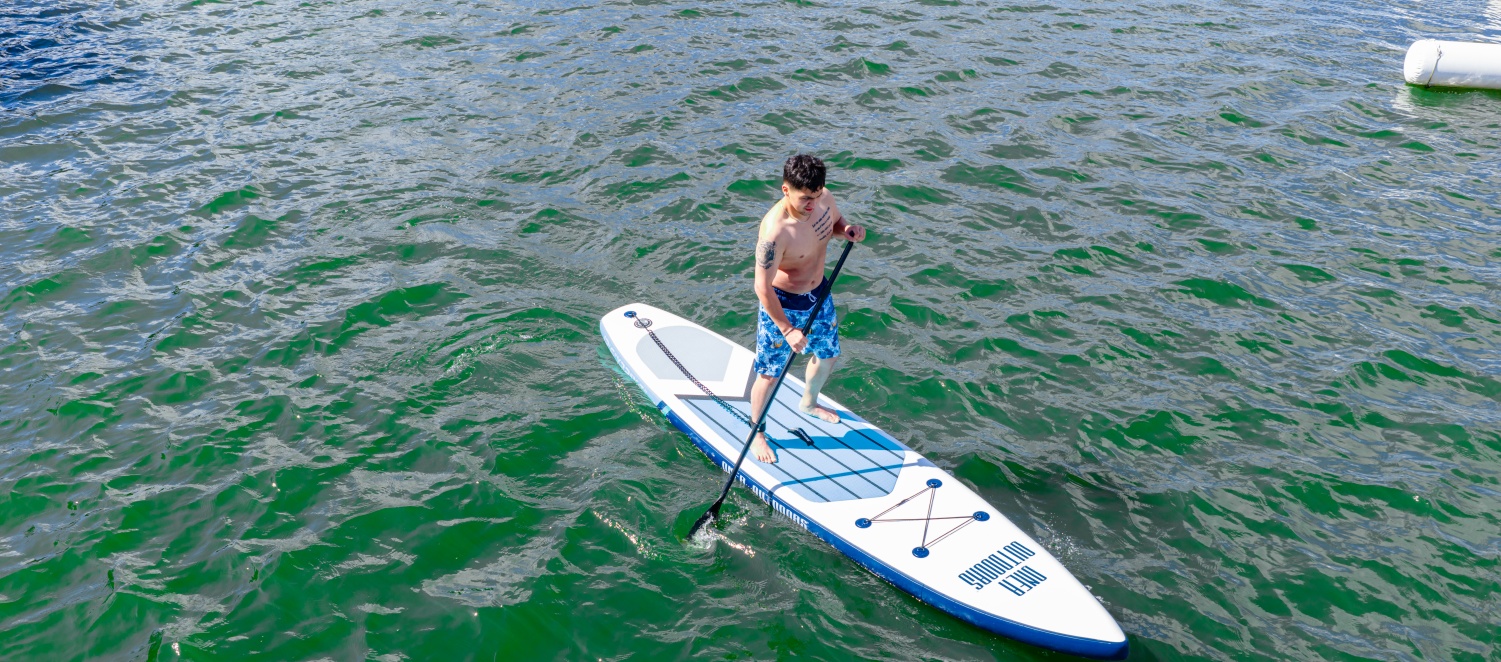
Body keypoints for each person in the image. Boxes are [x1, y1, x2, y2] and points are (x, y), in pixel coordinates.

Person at [749, 154, 867, 463]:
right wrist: (787, 329)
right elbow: (762, 287)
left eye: (816, 196)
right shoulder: (775, 232)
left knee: (828, 355)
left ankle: (809, 402)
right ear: (786, 190)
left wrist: (848, 229)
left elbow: (834, 224)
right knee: (769, 375)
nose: (812, 204)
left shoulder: (823, 198)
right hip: (783, 306)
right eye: (805, 199)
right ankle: (757, 432)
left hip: (819, 294)